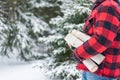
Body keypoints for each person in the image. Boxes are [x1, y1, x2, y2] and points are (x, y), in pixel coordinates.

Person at [73, 0, 120, 80]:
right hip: (93, 68)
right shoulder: (103, 5)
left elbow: (102, 40)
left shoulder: (108, 6)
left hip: (100, 71)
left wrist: (78, 53)